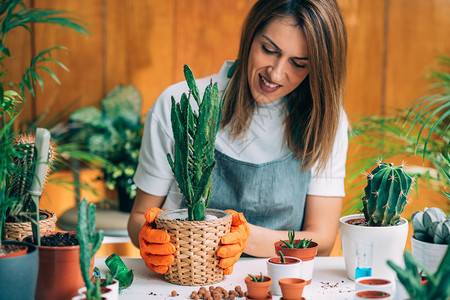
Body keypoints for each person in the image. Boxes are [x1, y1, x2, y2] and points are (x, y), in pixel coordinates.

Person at [128, 0, 348, 272]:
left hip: (280, 282)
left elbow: (323, 240)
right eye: (269, 50)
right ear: (250, 35)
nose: (276, 73)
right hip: (188, 280)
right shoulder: (179, 104)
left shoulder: (326, 121)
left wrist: (246, 238)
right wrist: (150, 239)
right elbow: (139, 217)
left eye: (299, 63)